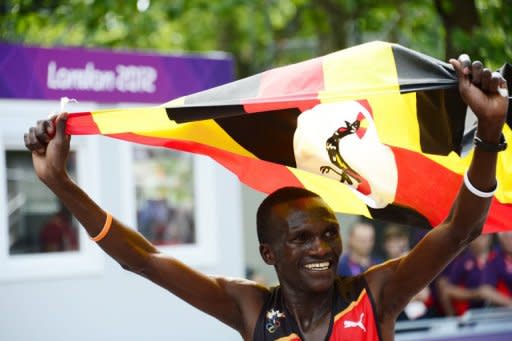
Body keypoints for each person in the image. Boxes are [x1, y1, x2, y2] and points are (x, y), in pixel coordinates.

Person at [24, 55, 508, 340]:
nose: (322, 248)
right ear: (268, 253)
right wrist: (61, 184)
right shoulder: (251, 310)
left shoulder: (374, 295)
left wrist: (488, 132)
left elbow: (459, 230)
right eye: (302, 239)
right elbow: (145, 260)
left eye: (328, 233)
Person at [436, 234, 493, 316]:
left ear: (489, 237)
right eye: (476, 236)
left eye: (484, 236)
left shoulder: (498, 258)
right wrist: (475, 294)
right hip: (468, 314)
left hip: (497, 312)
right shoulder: (462, 261)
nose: (479, 240)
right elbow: (446, 290)